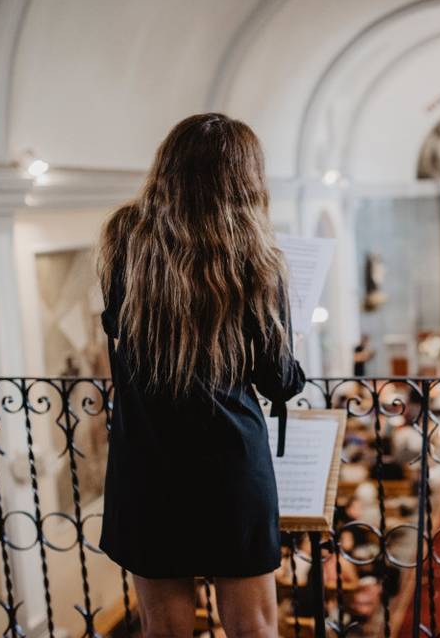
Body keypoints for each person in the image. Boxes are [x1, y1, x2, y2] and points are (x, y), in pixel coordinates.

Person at [97, 113, 306, 637]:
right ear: (246, 179)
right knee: (252, 627)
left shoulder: (124, 239)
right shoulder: (256, 257)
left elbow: (116, 326)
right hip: (228, 464)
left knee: (163, 629)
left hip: (145, 458)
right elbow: (277, 379)